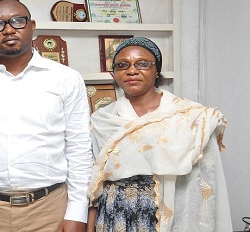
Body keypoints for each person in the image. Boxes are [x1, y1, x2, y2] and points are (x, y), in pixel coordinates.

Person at [0, 0, 93, 232]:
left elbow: (79, 147)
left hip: (48, 209)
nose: (9, 29)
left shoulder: (66, 78)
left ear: (32, 26)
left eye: (17, 21)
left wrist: (77, 210)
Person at [86, 37, 232, 231]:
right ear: (114, 74)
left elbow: (207, 178)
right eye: (122, 65)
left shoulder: (192, 118)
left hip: (170, 213)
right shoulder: (102, 120)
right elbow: (94, 181)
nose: (132, 70)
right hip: (116, 214)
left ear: (157, 71)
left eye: (143, 64)